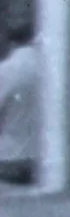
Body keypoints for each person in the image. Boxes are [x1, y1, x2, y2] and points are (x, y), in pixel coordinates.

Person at [0, 24, 37, 186]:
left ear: (11, 42)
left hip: (11, 155)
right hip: (49, 158)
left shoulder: (6, 70)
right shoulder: (57, 70)